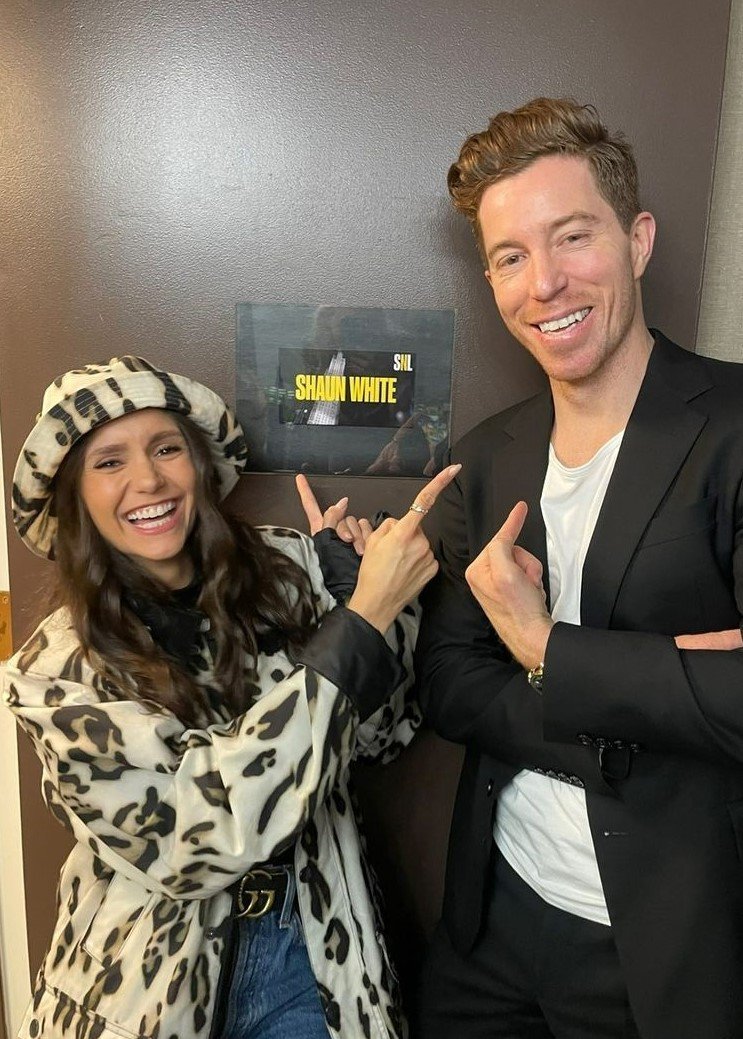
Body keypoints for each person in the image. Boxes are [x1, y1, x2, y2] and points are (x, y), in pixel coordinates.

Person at [3, 354, 458, 1039]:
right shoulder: (54, 669)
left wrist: (369, 609)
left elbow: (380, 738)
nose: (148, 480)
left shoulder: (287, 571)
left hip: (311, 952)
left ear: (199, 463)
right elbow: (197, 838)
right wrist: (359, 625)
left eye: (165, 449)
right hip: (146, 984)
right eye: (109, 461)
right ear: (74, 497)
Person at [415, 97, 743, 1039]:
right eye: (510, 257)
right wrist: (640, 706)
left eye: (572, 236)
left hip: (660, 952)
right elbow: (448, 681)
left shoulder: (731, 428)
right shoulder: (487, 457)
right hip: (492, 925)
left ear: (637, 241)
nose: (545, 283)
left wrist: (541, 647)